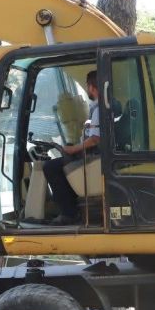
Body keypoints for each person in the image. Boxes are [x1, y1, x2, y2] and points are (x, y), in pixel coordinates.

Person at [44, 69, 100, 225]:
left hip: (94, 156)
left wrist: (73, 149)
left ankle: (69, 213)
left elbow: (95, 139)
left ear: (92, 87)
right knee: (61, 163)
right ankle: (73, 208)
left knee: (51, 167)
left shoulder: (99, 110)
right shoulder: (103, 107)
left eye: (88, 86)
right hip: (95, 154)